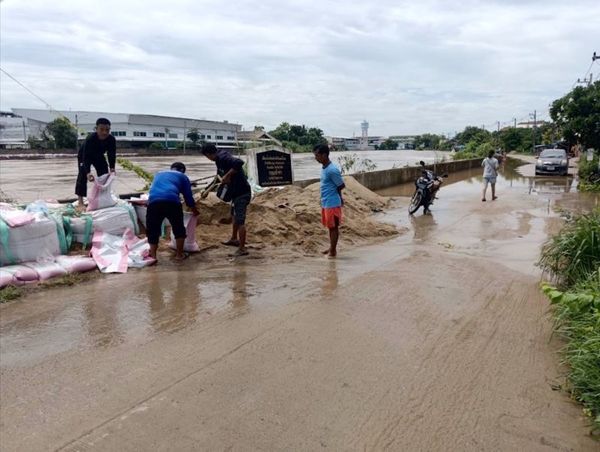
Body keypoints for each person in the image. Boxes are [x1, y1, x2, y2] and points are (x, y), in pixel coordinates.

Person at [201, 143, 251, 257]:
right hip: (234, 193)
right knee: (233, 216)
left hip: (242, 193)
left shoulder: (224, 157)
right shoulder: (218, 160)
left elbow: (239, 163)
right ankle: (234, 239)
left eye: (206, 156)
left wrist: (228, 175)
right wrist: (207, 189)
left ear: (208, 154)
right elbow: (218, 177)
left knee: (240, 220)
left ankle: (242, 248)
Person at [146, 162, 199, 262]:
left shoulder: (159, 174)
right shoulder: (183, 176)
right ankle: (179, 255)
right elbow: (188, 198)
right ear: (183, 170)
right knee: (178, 227)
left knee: (153, 229)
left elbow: (157, 188)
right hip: (172, 201)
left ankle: (153, 256)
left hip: (154, 202)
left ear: (171, 168)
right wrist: (194, 210)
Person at [75, 117, 116, 208]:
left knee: (104, 174)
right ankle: (80, 202)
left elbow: (111, 154)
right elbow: (86, 157)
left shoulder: (111, 139)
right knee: (82, 175)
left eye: (107, 130)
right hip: (84, 156)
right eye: (101, 129)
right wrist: (88, 172)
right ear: (96, 129)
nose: (104, 132)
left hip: (98, 156)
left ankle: (103, 198)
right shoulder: (91, 138)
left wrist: (112, 167)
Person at [313, 143, 345, 258]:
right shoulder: (324, 168)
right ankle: (331, 248)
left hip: (332, 202)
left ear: (324, 155)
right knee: (330, 227)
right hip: (326, 202)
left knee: (333, 227)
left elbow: (341, 185)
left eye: (317, 155)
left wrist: (339, 197)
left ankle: (333, 251)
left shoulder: (332, 170)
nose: (316, 158)